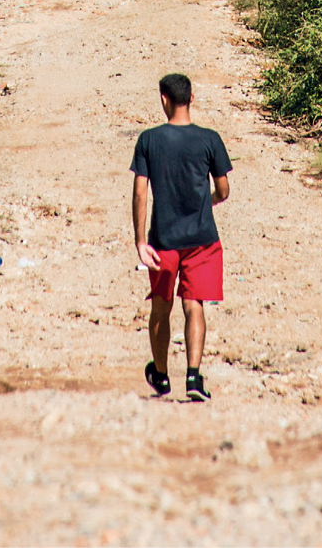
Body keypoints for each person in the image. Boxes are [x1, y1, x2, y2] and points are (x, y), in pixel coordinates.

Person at [131, 73, 232, 403]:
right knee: (194, 306)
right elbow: (223, 190)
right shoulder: (210, 139)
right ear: (192, 98)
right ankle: (192, 375)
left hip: (163, 241)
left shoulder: (149, 140)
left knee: (161, 308)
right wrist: (210, 201)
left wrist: (139, 241)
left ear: (164, 99)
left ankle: (160, 376)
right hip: (203, 238)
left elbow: (140, 193)